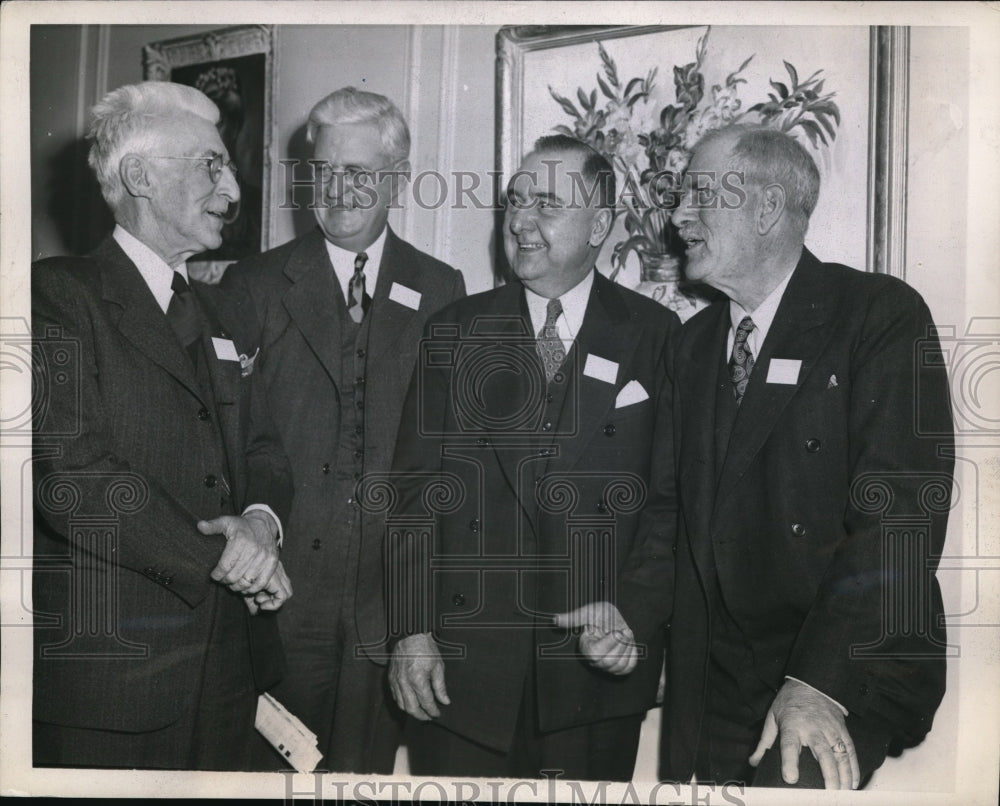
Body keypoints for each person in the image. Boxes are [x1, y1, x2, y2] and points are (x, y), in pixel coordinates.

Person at [662, 124, 955, 789]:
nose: (678, 216)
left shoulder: (878, 314)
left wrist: (817, 683)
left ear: (766, 207)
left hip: (845, 661)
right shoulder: (692, 345)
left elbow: (900, 519)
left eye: (699, 195)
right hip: (721, 678)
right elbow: (673, 521)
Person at [387, 135, 678, 780]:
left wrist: (634, 616)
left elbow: (669, 505)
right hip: (461, 673)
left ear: (600, 225)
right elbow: (411, 491)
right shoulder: (454, 331)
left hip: (593, 674)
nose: (520, 220)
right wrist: (410, 629)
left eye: (546, 204)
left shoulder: (657, 337)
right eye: (515, 201)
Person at [31, 81, 293, 770]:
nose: (232, 190)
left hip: (229, 674)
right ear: (140, 176)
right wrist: (225, 558)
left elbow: (263, 448)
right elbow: (76, 477)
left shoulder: (223, 312)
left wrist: (262, 522)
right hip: (114, 682)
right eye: (211, 164)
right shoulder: (56, 295)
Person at [220, 86, 465, 773]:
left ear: (397, 178)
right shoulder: (255, 283)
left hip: (385, 610)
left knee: (361, 780)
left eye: (359, 171)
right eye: (324, 169)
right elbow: (228, 441)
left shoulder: (443, 288)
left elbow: (448, 461)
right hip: (279, 601)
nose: (338, 187)